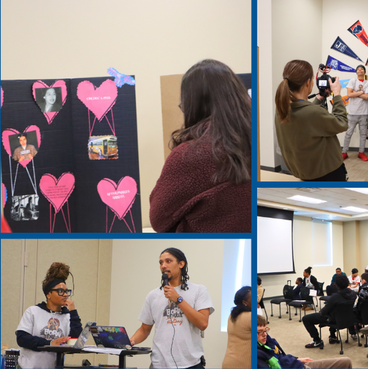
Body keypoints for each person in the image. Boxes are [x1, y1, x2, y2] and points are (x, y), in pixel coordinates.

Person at [150, 59, 251, 232]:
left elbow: (159, 219)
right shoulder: (254, 141)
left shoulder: (189, 155)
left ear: (193, 106)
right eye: (163, 261)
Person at [130, 248, 214, 368]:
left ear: (181, 264)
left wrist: (178, 299)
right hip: (159, 364)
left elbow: (202, 323)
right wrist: (131, 341)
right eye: (161, 262)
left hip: (190, 364)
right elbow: (144, 329)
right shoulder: (153, 295)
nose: (163, 265)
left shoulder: (198, 290)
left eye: (168, 261)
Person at [274, 59, 348, 181]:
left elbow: (306, 116)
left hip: (303, 171)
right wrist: (337, 94)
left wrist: (318, 98)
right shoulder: (313, 113)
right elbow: (342, 123)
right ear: (308, 82)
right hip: (327, 173)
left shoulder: (281, 108)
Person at [15, 262, 82, 369]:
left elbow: (75, 342)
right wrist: (50, 343)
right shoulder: (33, 311)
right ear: (48, 294)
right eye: (60, 291)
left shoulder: (67, 316)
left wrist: (73, 312)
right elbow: (22, 338)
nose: (65, 294)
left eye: (66, 291)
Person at [257, 315, 353, 369]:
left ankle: (317, 340)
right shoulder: (256, 354)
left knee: (345, 361)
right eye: (260, 332)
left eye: (265, 330)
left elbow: (280, 356)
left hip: (296, 364)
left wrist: (297, 359)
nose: (264, 334)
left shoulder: (267, 340)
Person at [302, 274, 355, 349]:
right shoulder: (353, 294)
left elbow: (324, 311)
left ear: (336, 285)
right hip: (348, 319)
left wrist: (321, 312)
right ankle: (332, 336)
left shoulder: (335, 297)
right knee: (335, 311)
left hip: (335, 320)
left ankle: (317, 340)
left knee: (306, 318)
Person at [343, 65, 368, 162]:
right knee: (348, 133)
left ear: (364, 72)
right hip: (352, 112)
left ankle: (361, 152)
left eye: (362, 69)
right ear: (356, 72)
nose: (360, 70)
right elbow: (349, 95)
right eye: (358, 69)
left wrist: (356, 93)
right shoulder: (352, 81)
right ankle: (344, 152)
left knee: (363, 134)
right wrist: (361, 92)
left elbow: (367, 97)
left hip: (364, 112)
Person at [223, 286, 252, 368]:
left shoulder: (232, 315)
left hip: (228, 362)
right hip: (242, 365)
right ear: (244, 302)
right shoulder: (250, 316)